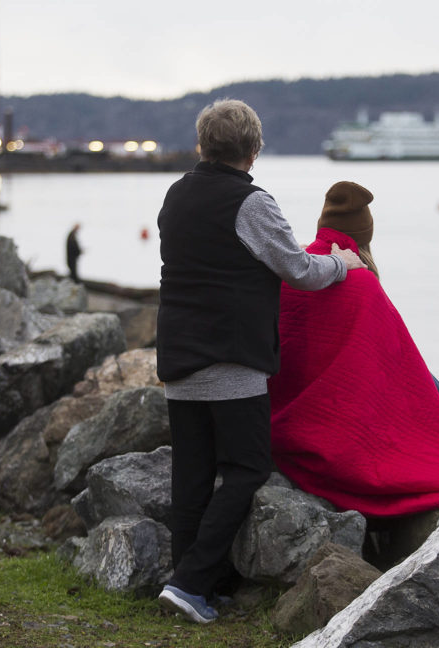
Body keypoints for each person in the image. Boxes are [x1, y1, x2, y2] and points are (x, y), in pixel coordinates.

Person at [155, 99, 366, 624]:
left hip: (179, 356)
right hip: (230, 359)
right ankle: (189, 583)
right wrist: (341, 263)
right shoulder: (251, 203)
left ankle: (193, 585)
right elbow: (299, 271)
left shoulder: (175, 194)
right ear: (254, 149)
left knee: (193, 478)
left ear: (203, 145)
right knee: (249, 468)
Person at [268, 181, 439, 521]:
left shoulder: (293, 272)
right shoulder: (361, 282)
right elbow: (400, 364)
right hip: (335, 429)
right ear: (364, 236)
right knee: (399, 355)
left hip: (280, 419)